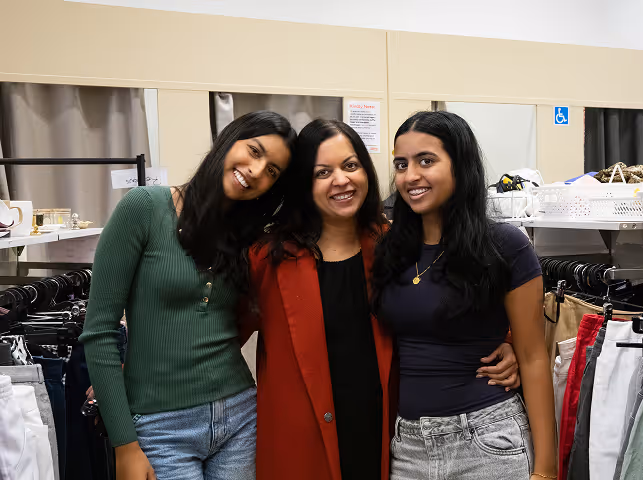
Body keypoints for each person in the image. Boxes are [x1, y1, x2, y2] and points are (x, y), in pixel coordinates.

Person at [240, 118, 521, 480]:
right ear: (304, 183)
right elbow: (221, 334)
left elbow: (451, 299)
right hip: (304, 444)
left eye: (350, 165)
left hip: (390, 440)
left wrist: (505, 340)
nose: (341, 180)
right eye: (323, 172)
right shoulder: (268, 259)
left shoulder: (396, 246)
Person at [81, 111, 297, 480]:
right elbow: (99, 332)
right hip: (159, 426)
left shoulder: (249, 238)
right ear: (229, 139)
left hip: (241, 416)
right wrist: (124, 444)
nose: (257, 171)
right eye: (254, 151)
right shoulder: (145, 208)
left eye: (273, 171)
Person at [372, 111, 557, 480]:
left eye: (426, 161)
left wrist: (546, 471)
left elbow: (534, 357)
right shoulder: (390, 249)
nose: (410, 176)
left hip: (488, 440)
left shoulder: (504, 245)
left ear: (460, 166)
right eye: (401, 164)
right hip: (408, 447)